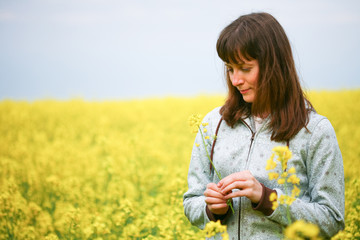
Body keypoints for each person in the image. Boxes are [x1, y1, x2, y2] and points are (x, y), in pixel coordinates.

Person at [183, 12, 344, 239]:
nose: (235, 80)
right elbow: (191, 202)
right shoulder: (212, 125)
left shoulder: (315, 131)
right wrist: (212, 209)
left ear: (274, 66)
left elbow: (332, 220)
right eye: (230, 69)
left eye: (245, 68)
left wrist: (267, 199)